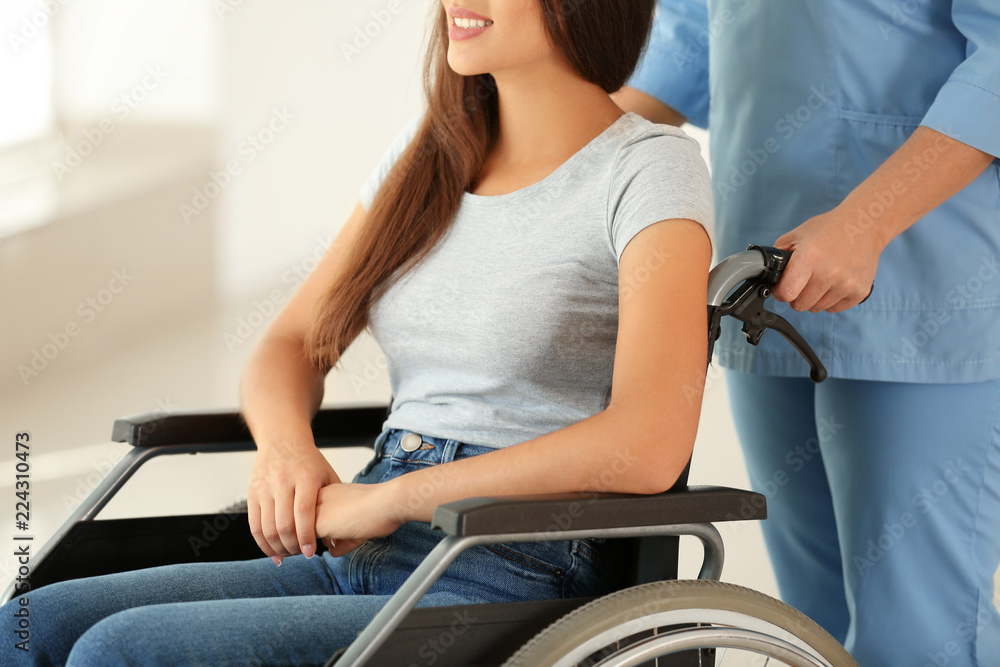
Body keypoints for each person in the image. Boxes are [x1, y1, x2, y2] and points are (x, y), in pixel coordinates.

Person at [0, 1, 716, 663]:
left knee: (120, 653)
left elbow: (648, 442)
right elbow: (288, 343)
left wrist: (398, 498)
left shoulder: (647, 169)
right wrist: (286, 452)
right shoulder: (429, 156)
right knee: (29, 627)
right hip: (359, 536)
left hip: (506, 565)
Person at [613, 1, 1000, 664]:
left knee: (914, 638)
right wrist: (564, 167)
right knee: (809, 631)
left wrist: (865, 223)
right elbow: (689, 33)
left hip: (921, 283)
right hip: (762, 274)